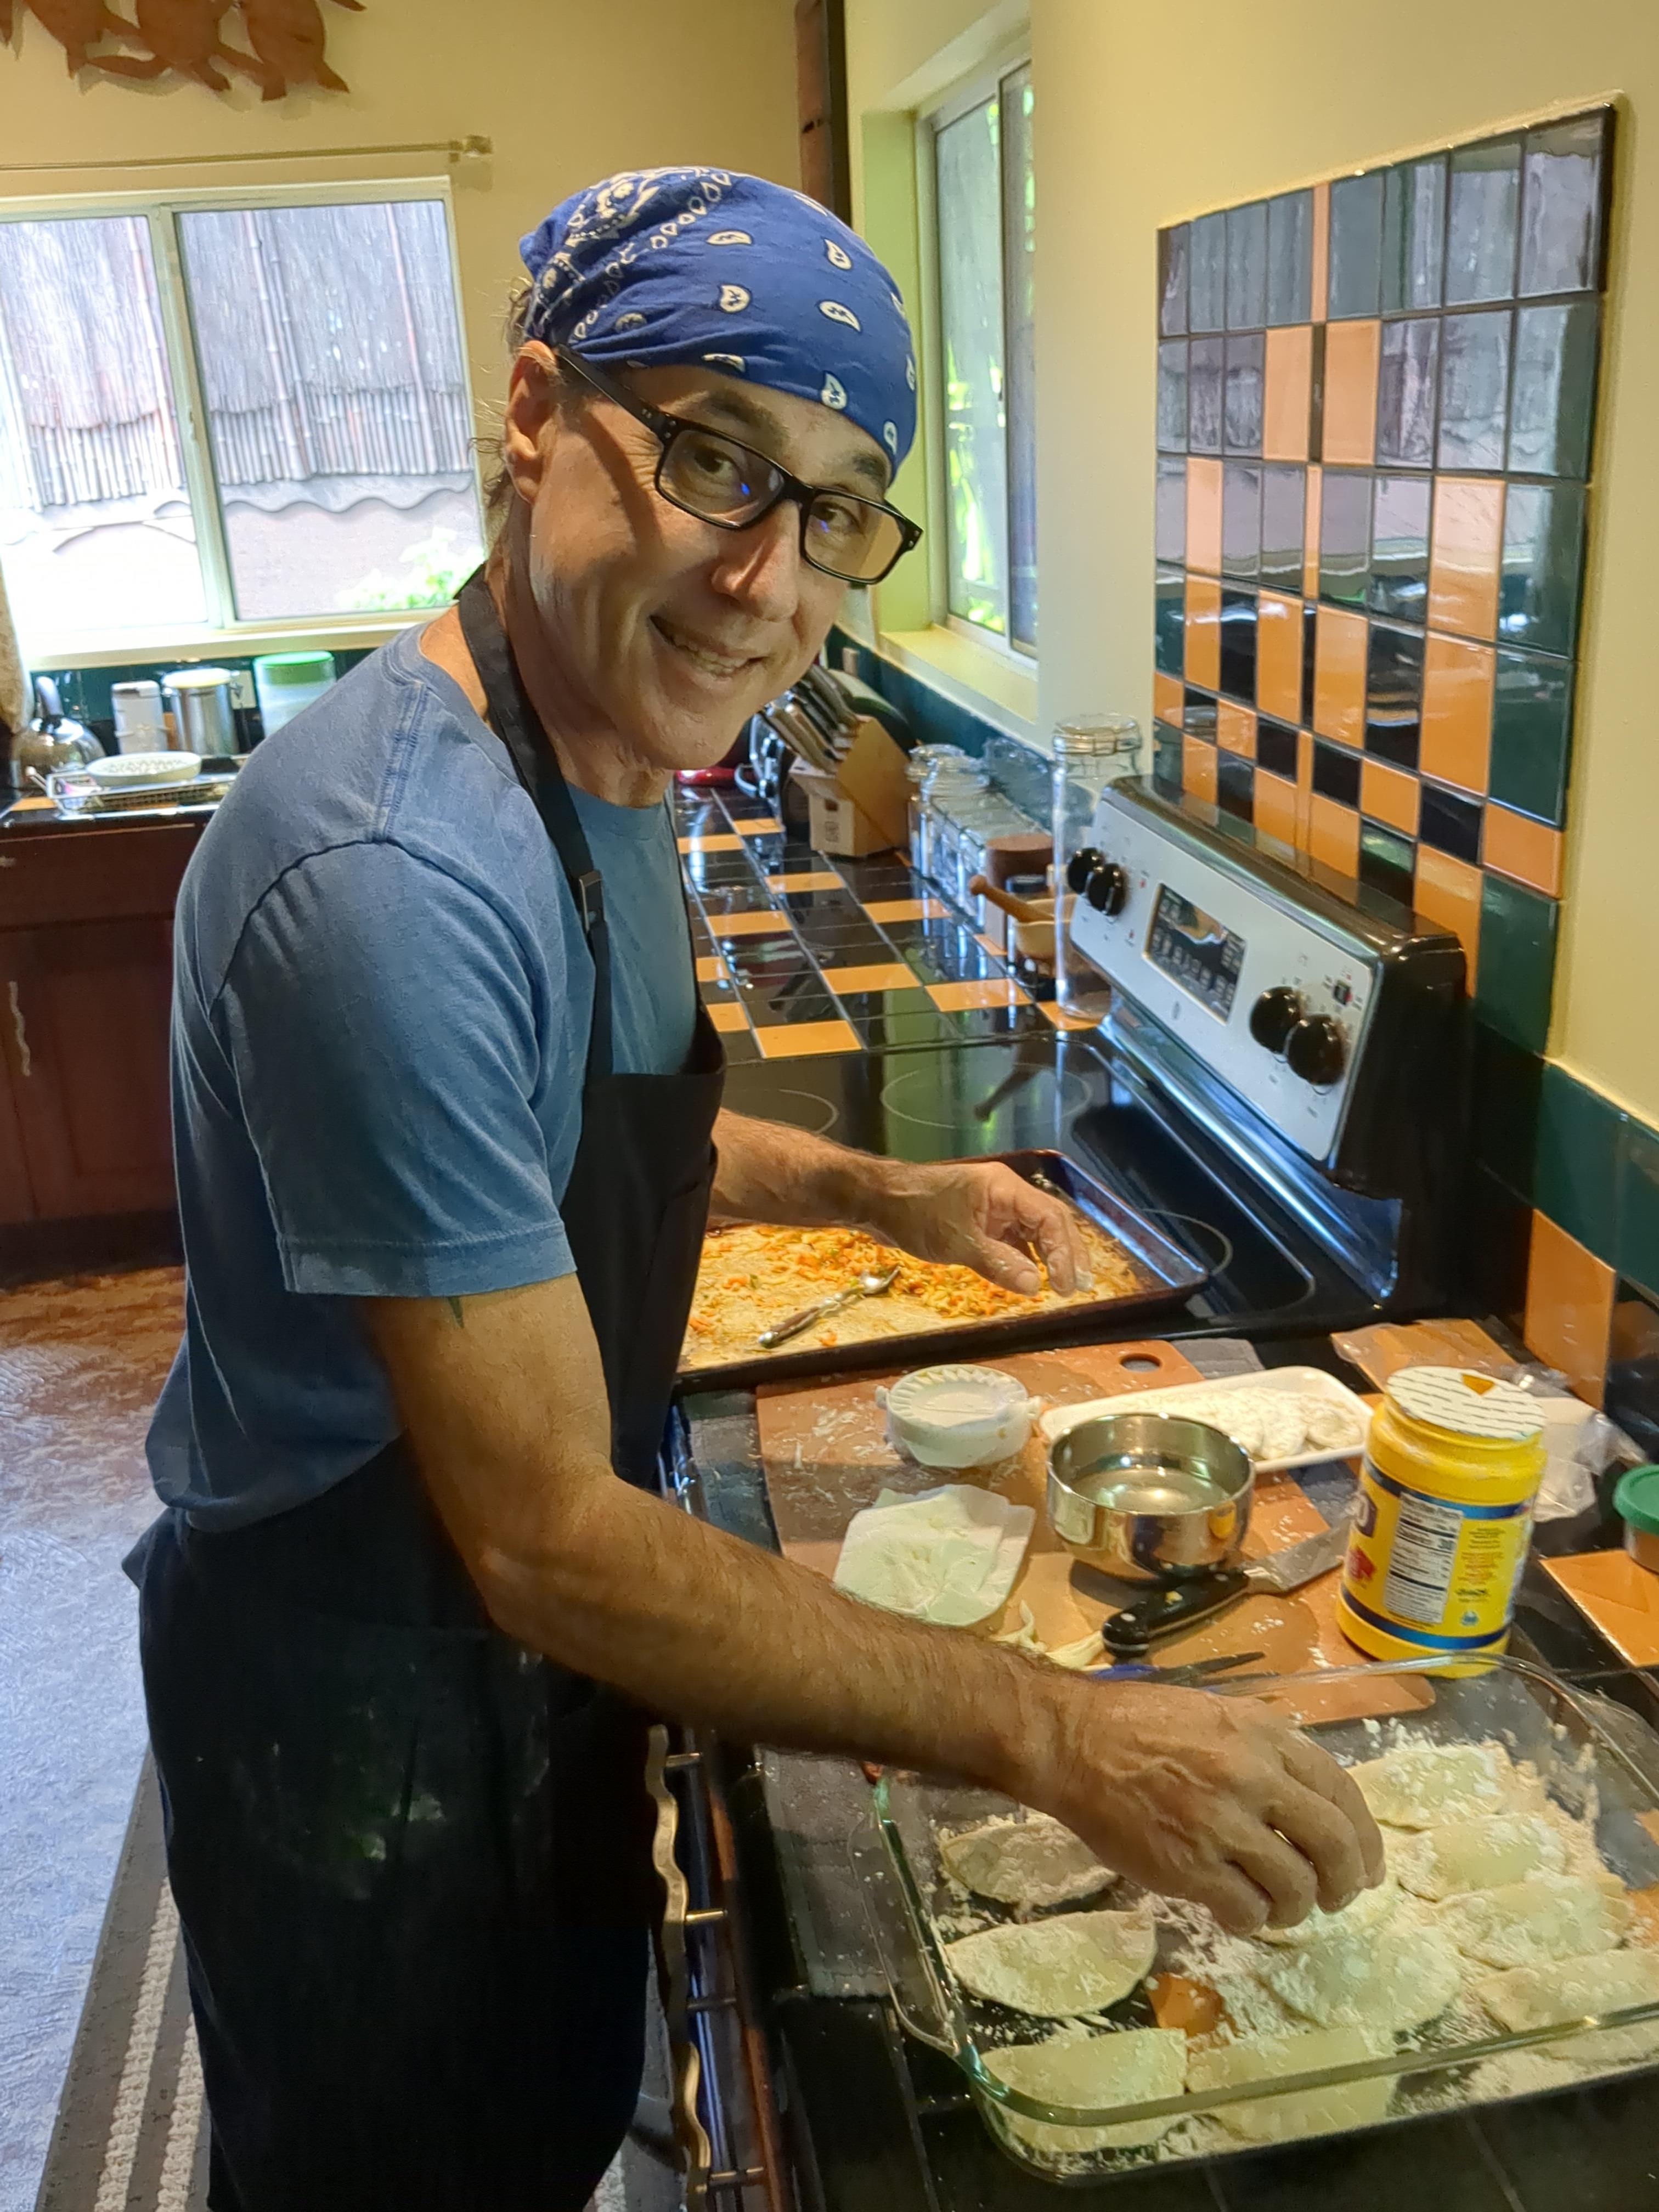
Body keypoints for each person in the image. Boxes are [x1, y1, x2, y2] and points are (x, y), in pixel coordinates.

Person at [129, 167, 1383, 2212]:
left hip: (508, 1648)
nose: (766, 579)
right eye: (715, 457)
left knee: (544, 2100)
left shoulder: (599, 750)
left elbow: (586, 1138)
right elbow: (544, 1538)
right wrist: (1066, 1740)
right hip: (358, 1695)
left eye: (835, 507)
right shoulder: (389, 880)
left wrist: (886, 1197)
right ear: (537, 413)